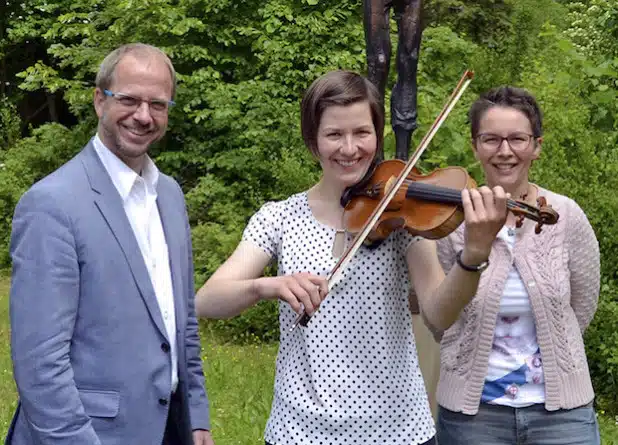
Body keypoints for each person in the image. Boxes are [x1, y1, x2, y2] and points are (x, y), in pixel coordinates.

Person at [196, 70, 508, 445]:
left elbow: (439, 313)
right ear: (313, 142)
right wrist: (268, 286)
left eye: (362, 132)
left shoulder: (403, 217)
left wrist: (474, 253)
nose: (349, 148)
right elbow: (207, 301)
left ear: (377, 136)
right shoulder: (279, 218)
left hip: (398, 432)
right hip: (300, 432)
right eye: (334, 135)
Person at [6, 43, 214, 445]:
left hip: (169, 428)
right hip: (86, 435)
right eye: (130, 100)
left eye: (158, 104)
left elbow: (182, 322)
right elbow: (40, 364)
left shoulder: (168, 196)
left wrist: (197, 416)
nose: (143, 116)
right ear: (100, 100)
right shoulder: (52, 204)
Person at [434, 86, 601, 445]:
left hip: (562, 417)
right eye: (491, 139)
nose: (505, 151)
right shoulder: (450, 223)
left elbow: (580, 309)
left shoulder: (567, 217)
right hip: (472, 416)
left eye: (517, 139)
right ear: (475, 146)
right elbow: (440, 316)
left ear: (536, 146)